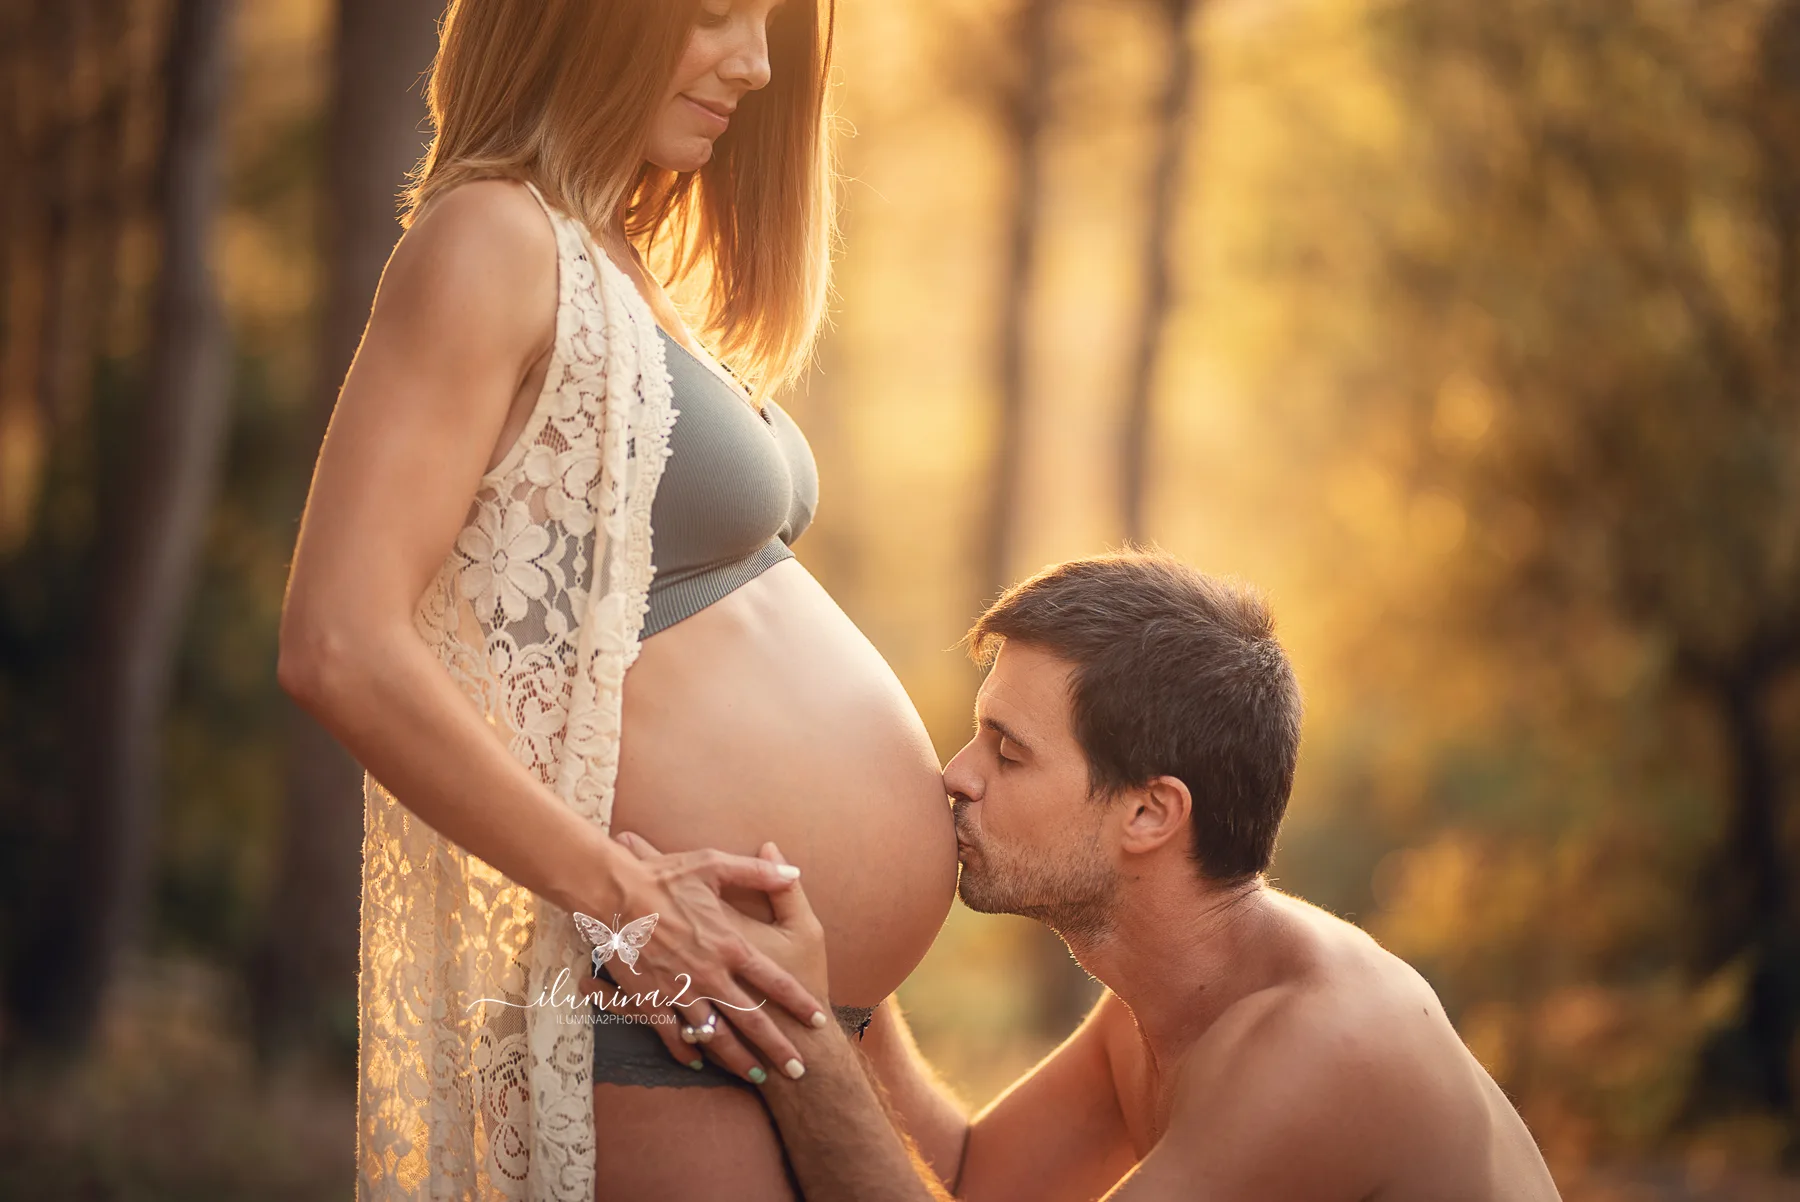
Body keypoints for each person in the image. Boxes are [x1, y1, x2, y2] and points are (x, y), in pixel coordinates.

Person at [276, 1, 956, 1198]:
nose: (752, 65)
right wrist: (636, 905)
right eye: (711, 17)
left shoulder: (626, 265)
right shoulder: (492, 238)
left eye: (766, 28)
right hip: (650, 995)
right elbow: (338, 640)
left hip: (740, 1002)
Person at [605, 551, 1565, 1201]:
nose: (956, 774)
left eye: (1009, 754)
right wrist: (850, 964)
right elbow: (978, 1182)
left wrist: (793, 1023)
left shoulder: (1318, 1049)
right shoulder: (1171, 996)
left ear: (1151, 812)